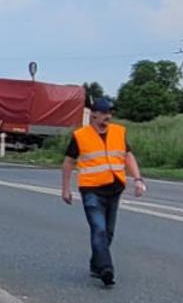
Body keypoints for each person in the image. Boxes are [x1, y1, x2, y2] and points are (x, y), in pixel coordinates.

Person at [61, 97, 145, 287]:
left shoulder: (118, 132)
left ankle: (95, 264)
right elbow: (68, 163)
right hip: (91, 189)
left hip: (114, 188)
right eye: (104, 112)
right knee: (98, 229)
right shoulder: (80, 136)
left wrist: (137, 179)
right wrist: (66, 189)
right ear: (94, 114)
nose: (108, 116)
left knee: (108, 232)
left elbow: (127, 155)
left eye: (110, 112)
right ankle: (106, 269)